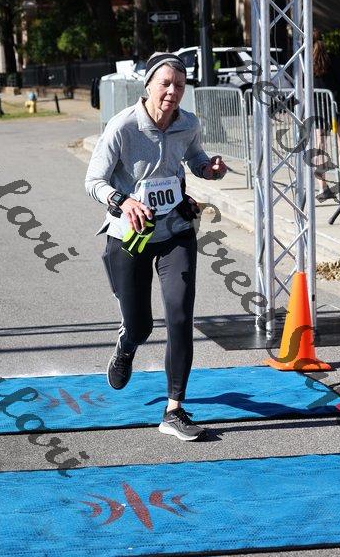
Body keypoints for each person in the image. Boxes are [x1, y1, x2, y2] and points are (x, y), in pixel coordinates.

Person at [85, 52, 227, 441]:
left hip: (175, 231)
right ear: (148, 85)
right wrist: (123, 201)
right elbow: (94, 180)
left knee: (180, 316)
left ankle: (174, 409)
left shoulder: (188, 123)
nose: (172, 92)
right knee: (141, 325)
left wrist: (208, 169)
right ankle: (126, 344)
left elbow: (194, 157)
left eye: (179, 85)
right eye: (165, 84)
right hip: (129, 236)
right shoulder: (123, 126)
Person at [313, 29, 340, 202]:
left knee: (320, 147)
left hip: (317, 108)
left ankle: (323, 187)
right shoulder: (331, 58)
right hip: (336, 106)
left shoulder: (305, 62)